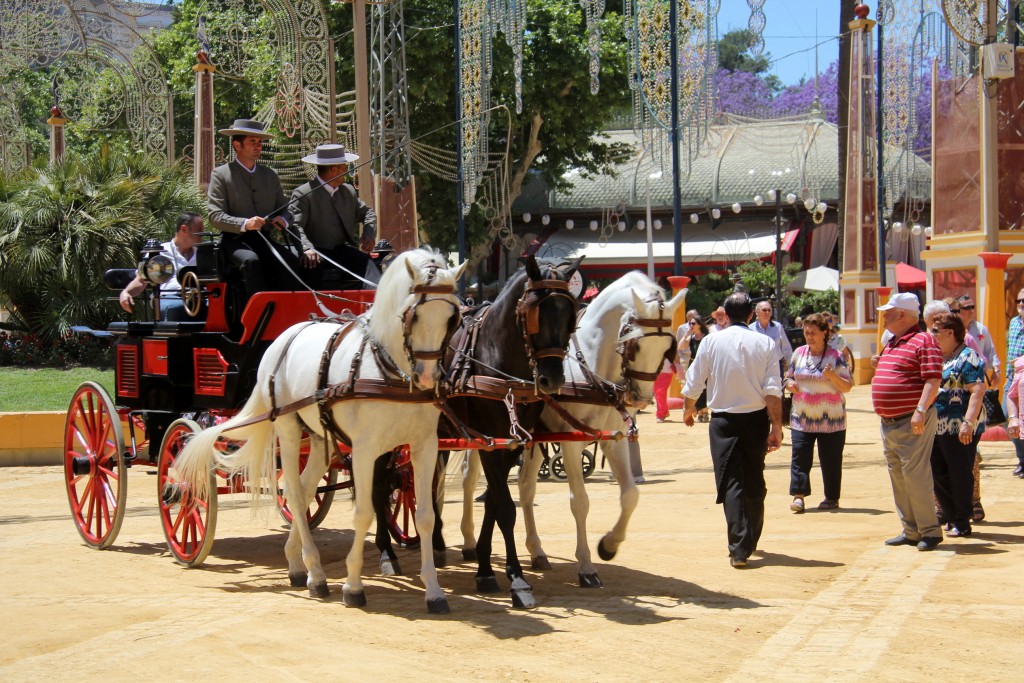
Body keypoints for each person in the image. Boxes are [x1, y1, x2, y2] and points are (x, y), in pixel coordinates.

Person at [682, 292, 783, 569]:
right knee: (754, 481)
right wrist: (776, 426)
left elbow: (694, 381)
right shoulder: (765, 343)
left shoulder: (710, 342)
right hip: (755, 421)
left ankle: (739, 547)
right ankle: (747, 541)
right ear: (751, 315)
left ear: (724, 314)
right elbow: (773, 388)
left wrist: (688, 409)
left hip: (723, 422)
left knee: (731, 481)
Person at [872, 292, 943, 551]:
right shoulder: (893, 341)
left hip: (911, 420)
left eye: (889, 312)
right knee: (899, 476)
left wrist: (921, 410)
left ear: (902, 314)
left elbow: (933, 379)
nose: (884, 315)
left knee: (915, 476)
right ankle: (911, 529)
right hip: (890, 422)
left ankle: (930, 531)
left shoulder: (924, 340)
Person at [207, 118, 298, 298]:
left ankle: (287, 312)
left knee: (289, 260)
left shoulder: (270, 175)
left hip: (263, 239)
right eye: (252, 142)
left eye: (260, 142)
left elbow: (286, 209)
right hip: (234, 241)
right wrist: (245, 223)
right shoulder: (221, 174)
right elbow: (214, 216)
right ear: (237, 145)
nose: (258, 146)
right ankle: (258, 313)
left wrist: (284, 220)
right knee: (251, 261)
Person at [783, 313, 853, 513]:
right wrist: (790, 384)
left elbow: (847, 386)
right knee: (799, 457)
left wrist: (831, 376)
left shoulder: (836, 356)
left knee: (831, 460)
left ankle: (831, 498)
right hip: (802, 417)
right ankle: (798, 496)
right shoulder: (798, 353)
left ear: (825, 333)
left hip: (831, 419)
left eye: (814, 332)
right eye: (806, 332)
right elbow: (787, 378)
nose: (809, 336)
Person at [289, 143, 379, 289]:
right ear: (334, 169)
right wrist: (307, 249)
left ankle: (373, 303)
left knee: (367, 263)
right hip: (315, 251)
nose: (347, 170)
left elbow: (367, 212)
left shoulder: (348, 192)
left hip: (340, 250)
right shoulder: (303, 193)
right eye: (345, 167)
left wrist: (369, 233)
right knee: (310, 265)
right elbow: (294, 225)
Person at [928, 313, 986, 538]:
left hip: (959, 427)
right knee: (938, 471)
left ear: (950, 332)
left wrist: (968, 423)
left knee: (959, 472)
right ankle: (951, 517)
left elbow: (977, 391)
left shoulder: (968, 357)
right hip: (937, 425)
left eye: (935, 330)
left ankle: (962, 521)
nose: (932, 334)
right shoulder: (940, 356)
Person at [119, 213, 205, 321]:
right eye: (199, 231)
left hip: (200, 296)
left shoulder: (204, 253)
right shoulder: (159, 252)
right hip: (169, 297)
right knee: (176, 308)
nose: (203, 234)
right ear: (184, 229)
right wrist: (126, 292)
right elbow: (141, 280)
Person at [677, 312, 710, 422]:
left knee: (705, 389)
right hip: (694, 364)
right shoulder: (691, 337)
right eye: (690, 323)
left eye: (693, 323)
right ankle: (700, 412)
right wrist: (686, 334)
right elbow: (681, 347)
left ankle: (705, 411)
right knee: (696, 387)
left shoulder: (707, 337)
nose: (690, 325)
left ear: (699, 324)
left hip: (705, 364)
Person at [1006, 287, 1024, 478]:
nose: (1020, 304)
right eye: (1018, 301)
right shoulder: (1013, 323)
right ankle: (1022, 459)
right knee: (1008, 415)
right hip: (1012, 378)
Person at [749, 300, 793, 375]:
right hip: (757, 367)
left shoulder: (778, 327)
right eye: (764, 310)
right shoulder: (750, 329)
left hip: (776, 366)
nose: (767, 312)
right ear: (757, 312)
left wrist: (791, 367)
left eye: (769, 310)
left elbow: (786, 348)